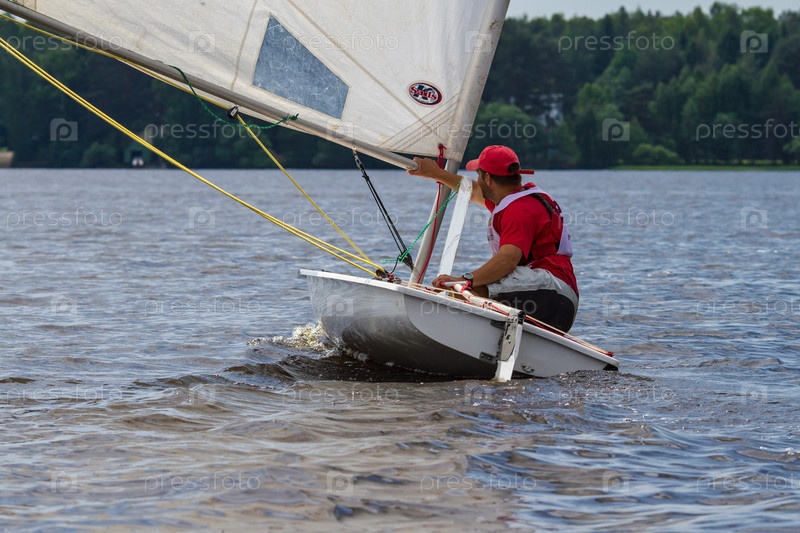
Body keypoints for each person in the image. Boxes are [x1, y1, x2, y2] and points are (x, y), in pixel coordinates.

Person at [407, 145, 579, 332]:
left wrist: (465, 280)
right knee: (464, 290)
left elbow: (507, 260)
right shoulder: (516, 199)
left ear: (487, 178)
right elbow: (472, 191)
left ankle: (442, 332)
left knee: (465, 290)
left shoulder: (519, 210)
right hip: (557, 300)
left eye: (479, 175)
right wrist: (436, 174)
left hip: (552, 292)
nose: (477, 180)